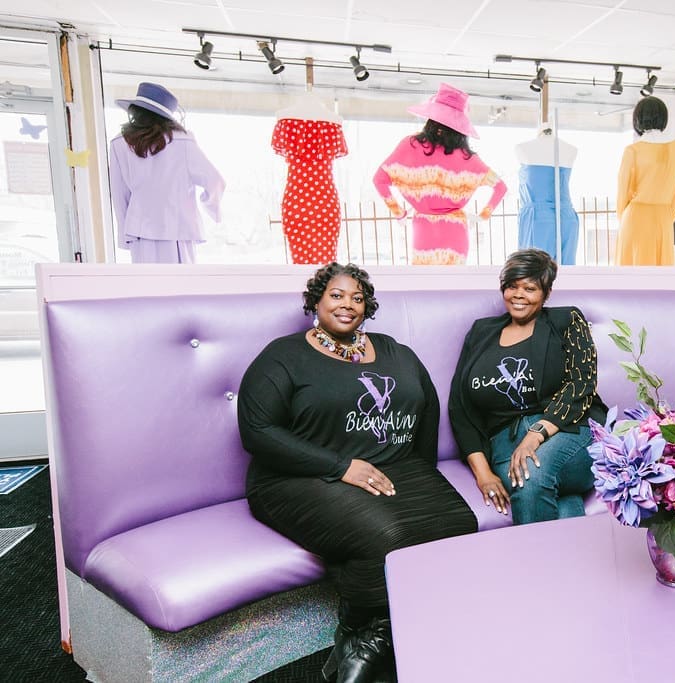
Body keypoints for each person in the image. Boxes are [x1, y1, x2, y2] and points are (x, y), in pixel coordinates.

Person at [238, 262, 477, 683]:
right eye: (336, 295)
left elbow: (427, 408)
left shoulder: (393, 350)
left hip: (391, 468)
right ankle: (366, 635)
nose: (347, 304)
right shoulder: (284, 355)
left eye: (357, 297)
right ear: (315, 301)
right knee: (385, 536)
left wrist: (417, 473)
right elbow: (257, 432)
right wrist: (340, 466)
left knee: (458, 522)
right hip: (295, 479)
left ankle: (366, 636)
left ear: (367, 307)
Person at [448, 248, 607, 524]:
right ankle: (571, 564)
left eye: (530, 288)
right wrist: (483, 474)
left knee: (530, 474)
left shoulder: (566, 320)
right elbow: (460, 407)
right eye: (511, 286)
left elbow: (581, 385)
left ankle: (531, 567)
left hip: (570, 433)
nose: (518, 294)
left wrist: (534, 436)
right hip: (504, 446)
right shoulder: (481, 332)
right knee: (558, 499)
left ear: (546, 293)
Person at [373, 83, 507, 265]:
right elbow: (500, 188)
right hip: (456, 230)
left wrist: (400, 213)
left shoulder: (410, 145)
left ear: (431, 118)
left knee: (424, 285)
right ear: (460, 126)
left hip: (423, 228)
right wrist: (482, 215)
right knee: (454, 286)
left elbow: (379, 180)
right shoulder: (468, 157)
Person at [108, 82, 225, 263]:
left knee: (149, 288)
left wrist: (125, 234)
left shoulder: (119, 143)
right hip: (179, 229)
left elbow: (119, 194)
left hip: (140, 232)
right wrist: (211, 207)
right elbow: (215, 181)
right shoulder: (184, 141)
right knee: (182, 287)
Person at [272, 92, 348, 264]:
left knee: (314, 267)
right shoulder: (332, 124)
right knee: (322, 268)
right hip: (323, 199)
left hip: (298, 198)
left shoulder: (286, 122)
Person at [615, 96, 675, 266]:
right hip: (663, 217)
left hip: (635, 216)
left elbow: (622, 191)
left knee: (633, 273)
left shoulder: (633, 150)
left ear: (638, 118)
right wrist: (667, 216)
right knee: (661, 273)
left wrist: (623, 217)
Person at [515, 128, 580, 265]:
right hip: (567, 217)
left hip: (538, 218)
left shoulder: (523, 148)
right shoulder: (570, 149)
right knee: (566, 274)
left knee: (534, 273)